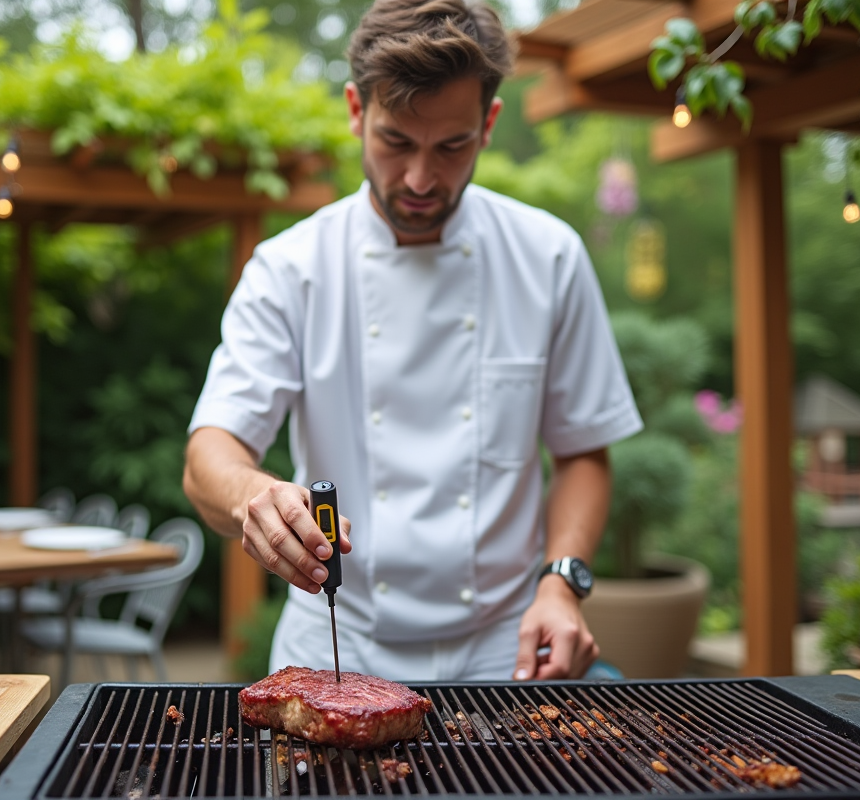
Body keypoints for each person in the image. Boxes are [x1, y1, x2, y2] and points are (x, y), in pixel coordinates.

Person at [183, 0, 642, 682]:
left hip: (506, 647)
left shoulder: (548, 255)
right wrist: (254, 494)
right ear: (355, 112)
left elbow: (582, 453)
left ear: (488, 124)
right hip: (337, 642)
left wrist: (561, 584)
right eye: (396, 142)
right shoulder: (290, 267)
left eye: (451, 146)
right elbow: (207, 460)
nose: (422, 180)